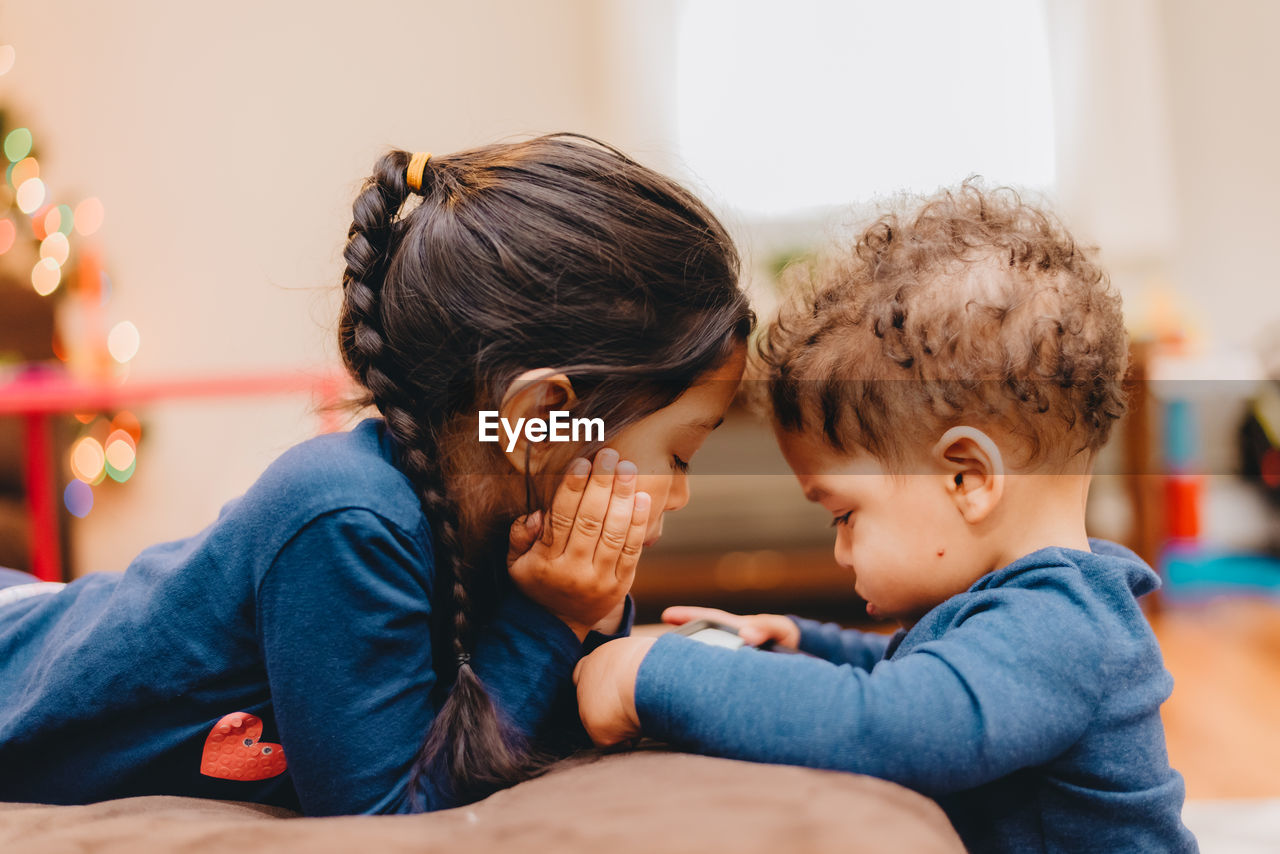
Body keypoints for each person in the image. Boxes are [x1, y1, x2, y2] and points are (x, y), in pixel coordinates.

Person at [0, 134, 754, 816]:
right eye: (679, 455)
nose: (680, 493)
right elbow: (385, 819)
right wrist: (553, 619)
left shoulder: (511, 530)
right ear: (538, 418)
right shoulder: (345, 516)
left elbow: (546, 712)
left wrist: (593, 620)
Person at [573, 183, 1199, 852]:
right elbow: (923, 664)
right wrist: (800, 642)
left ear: (968, 478)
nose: (842, 552)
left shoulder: (1063, 630)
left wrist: (658, 678)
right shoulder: (1040, 611)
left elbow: (896, 726)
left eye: (842, 516)